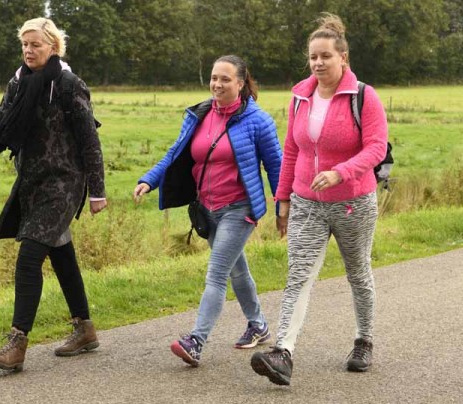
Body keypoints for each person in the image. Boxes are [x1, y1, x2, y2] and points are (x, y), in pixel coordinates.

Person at [0, 18, 107, 372]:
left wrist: (97, 191)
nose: (28, 50)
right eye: (25, 44)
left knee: (28, 258)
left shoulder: (69, 85)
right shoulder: (18, 84)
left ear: (53, 46)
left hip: (65, 184)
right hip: (31, 183)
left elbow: (90, 141)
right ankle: (84, 328)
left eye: (35, 44)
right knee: (62, 255)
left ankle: (17, 343)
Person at [250, 13, 388, 385]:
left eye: (326, 56)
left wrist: (341, 172)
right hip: (307, 202)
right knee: (299, 274)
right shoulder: (300, 95)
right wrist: (283, 199)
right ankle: (282, 352)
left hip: (353, 202)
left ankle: (364, 341)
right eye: (313, 56)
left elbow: (377, 148)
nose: (318, 63)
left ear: (343, 57)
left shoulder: (364, 96)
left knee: (358, 273)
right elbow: (292, 150)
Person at [134, 55, 282, 367]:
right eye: (214, 78)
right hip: (207, 209)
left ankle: (196, 341)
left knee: (216, 274)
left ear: (240, 83)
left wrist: (283, 207)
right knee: (236, 270)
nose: (217, 84)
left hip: (239, 209)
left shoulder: (259, 121)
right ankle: (258, 325)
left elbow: (276, 167)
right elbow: (174, 153)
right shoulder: (199, 114)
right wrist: (149, 180)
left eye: (225, 79)